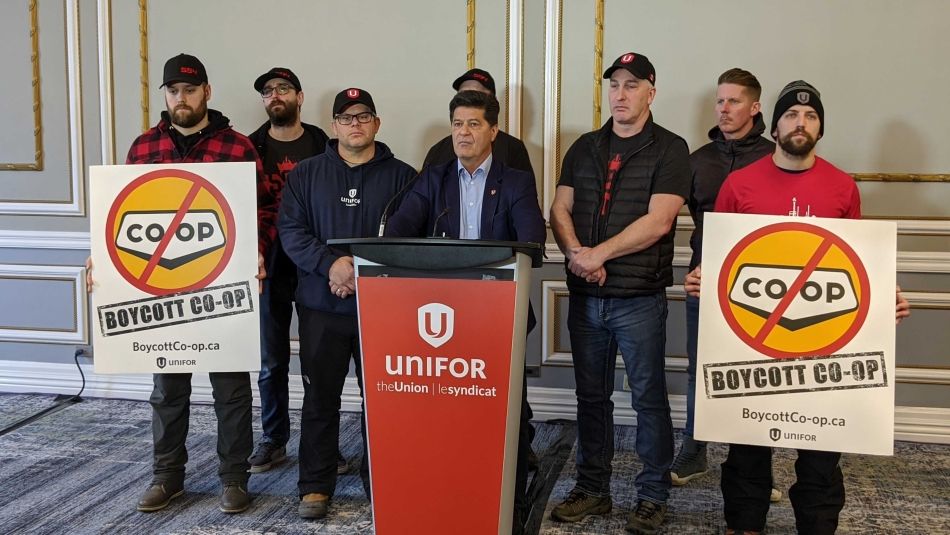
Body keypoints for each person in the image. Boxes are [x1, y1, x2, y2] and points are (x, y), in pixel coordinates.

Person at [684, 80, 911, 535]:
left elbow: (855, 260)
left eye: (810, 116)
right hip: (752, 337)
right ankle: (744, 524)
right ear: (776, 123)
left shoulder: (842, 187)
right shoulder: (739, 184)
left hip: (821, 339)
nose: (800, 123)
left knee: (824, 445)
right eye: (791, 115)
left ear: (820, 127)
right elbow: (722, 257)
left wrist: (886, 293)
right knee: (747, 441)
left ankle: (818, 524)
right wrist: (701, 277)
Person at [384, 89, 545, 535]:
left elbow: (531, 242)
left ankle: (508, 499)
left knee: (504, 411)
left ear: (493, 131)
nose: (463, 133)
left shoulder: (514, 182)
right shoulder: (433, 179)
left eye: (474, 124)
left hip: (497, 316)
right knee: (448, 412)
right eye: (457, 124)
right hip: (440, 314)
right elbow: (397, 233)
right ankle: (447, 488)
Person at [118, 53, 271, 514]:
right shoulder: (143, 147)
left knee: (231, 388)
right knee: (167, 389)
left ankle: (233, 478)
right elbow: (123, 215)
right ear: (165, 95)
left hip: (220, 286)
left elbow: (262, 209)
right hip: (164, 290)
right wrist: (103, 258)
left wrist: (259, 249)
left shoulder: (238, 147)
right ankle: (167, 476)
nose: (180, 98)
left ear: (207, 91)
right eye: (173, 91)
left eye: (189, 89)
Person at [549, 52, 690, 534]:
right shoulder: (584, 146)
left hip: (638, 301)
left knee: (649, 398)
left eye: (632, 85)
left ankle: (652, 495)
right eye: (614, 85)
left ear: (651, 90)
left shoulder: (671, 149)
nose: (621, 94)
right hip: (586, 297)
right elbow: (559, 207)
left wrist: (598, 255)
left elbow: (659, 221)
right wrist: (576, 254)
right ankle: (593, 490)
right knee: (591, 398)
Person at [278, 87, 416, 520]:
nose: (355, 124)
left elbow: (411, 236)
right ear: (334, 126)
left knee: (385, 399)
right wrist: (331, 267)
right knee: (321, 398)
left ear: (376, 123)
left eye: (364, 116)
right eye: (346, 118)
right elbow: (292, 233)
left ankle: (384, 481)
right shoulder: (304, 175)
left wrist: (360, 269)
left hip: (383, 307)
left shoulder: (404, 176)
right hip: (322, 306)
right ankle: (315, 487)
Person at [672, 68, 775, 487]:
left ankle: (755, 471)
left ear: (755, 106)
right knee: (702, 371)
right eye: (720, 101)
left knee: (756, 377)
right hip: (706, 281)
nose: (724, 109)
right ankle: (694, 451)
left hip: (762, 288)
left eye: (734, 101)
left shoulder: (774, 158)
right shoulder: (697, 160)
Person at [244, 67, 347, 476]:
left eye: (283, 88)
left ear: (299, 97)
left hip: (314, 267)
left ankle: (322, 445)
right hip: (269, 266)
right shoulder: (249, 147)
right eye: (268, 91)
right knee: (271, 361)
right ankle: (274, 439)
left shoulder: (325, 143)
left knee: (317, 362)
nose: (275, 96)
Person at [422, 68, 534, 179]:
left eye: (475, 95)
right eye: (463, 94)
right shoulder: (438, 151)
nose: (468, 99)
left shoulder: (513, 149)